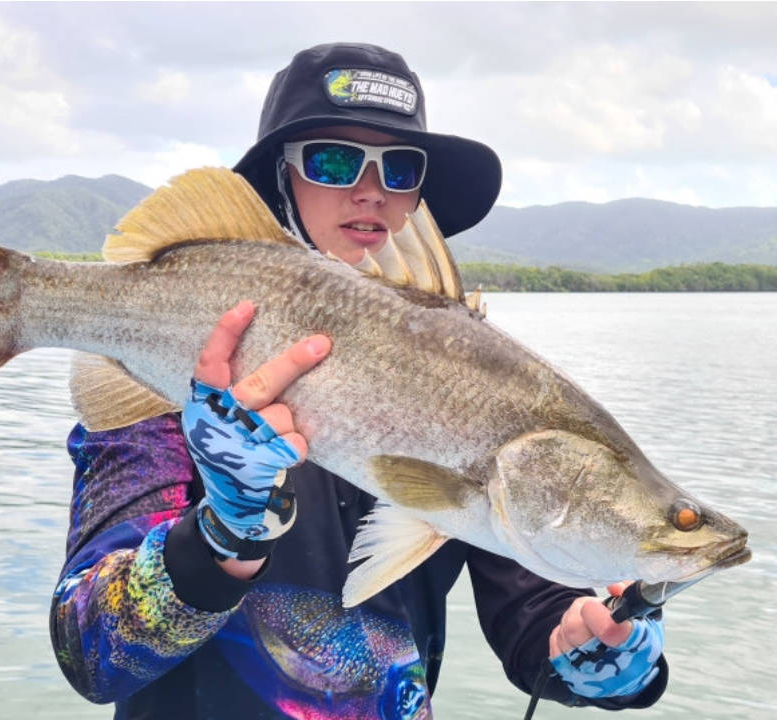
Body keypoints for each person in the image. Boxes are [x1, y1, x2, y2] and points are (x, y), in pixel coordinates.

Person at [50, 43, 668, 719]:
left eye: (401, 169)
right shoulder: (181, 375)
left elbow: (535, 611)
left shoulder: (483, 387)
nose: (370, 188)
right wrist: (222, 532)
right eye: (334, 160)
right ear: (281, 181)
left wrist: (594, 651)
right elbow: (91, 652)